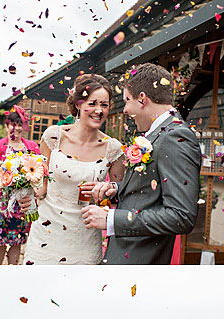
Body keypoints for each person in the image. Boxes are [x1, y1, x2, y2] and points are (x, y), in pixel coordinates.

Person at [85, 63, 202, 264]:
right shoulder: (160, 133)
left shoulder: (176, 137)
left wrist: (111, 219)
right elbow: (151, 190)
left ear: (142, 99)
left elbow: (181, 216)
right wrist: (117, 189)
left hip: (141, 262)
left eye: (127, 101)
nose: (125, 110)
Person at [22, 74, 124, 265]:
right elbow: (41, 187)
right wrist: (24, 194)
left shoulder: (114, 149)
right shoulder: (54, 137)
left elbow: (120, 192)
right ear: (78, 104)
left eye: (104, 105)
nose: (99, 110)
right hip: (46, 235)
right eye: (92, 103)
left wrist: (106, 193)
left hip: (84, 239)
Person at [0, 108, 40, 265]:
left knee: (17, 240)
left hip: (23, 202)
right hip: (3, 202)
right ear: (7, 125)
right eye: (13, 124)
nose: (16, 128)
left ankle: (13, 270)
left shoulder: (31, 146)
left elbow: (38, 171)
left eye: (20, 124)